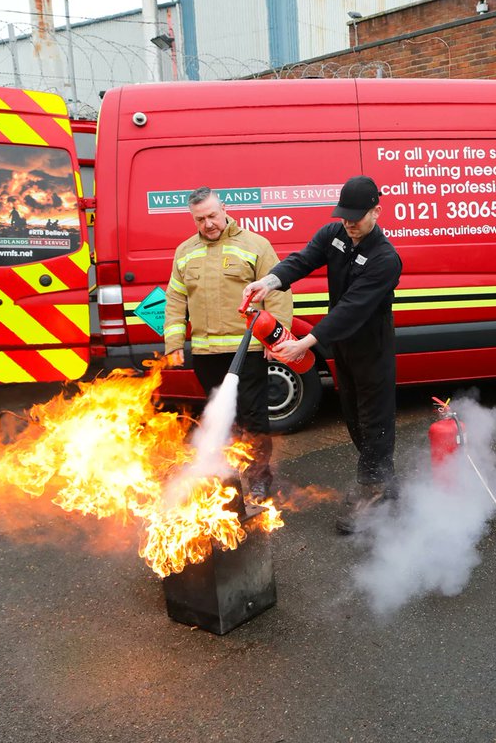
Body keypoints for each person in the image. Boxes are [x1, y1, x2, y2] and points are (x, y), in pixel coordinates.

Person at [242, 175, 403, 534]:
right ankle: (384, 485)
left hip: (372, 351)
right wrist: (268, 281)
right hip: (344, 349)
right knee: (354, 419)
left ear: (377, 211)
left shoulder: (386, 259)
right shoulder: (336, 234)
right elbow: (302, 260)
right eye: (344, 215)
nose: (349, 223)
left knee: (375, 422)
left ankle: (374, 490)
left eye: (356, 217)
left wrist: (305, 342)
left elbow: (350, 308)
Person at [164, 186, 291, 498]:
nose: (207, 223)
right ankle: (227, 478)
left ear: (223, 209)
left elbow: (278, 293)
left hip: (246, 350)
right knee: (222, 421)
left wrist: (277, 341)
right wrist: (175, 343)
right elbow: (175, 300)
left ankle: (260, 477)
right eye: (199, 219)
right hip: (207, 354)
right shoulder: (185, 252)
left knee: (254, 417)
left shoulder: (255, 245)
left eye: (211, 215)